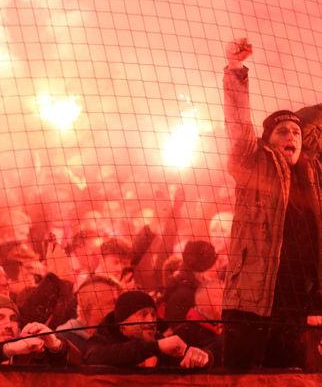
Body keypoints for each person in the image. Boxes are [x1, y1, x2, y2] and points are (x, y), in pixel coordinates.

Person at [221, 38, 322, 368]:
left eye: (295, 132)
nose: (291, 137)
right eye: (281, 132)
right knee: (244, 376)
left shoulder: (312, 177)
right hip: (252, 300)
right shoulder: (253, 163)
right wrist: (236, 70)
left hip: (297, 304)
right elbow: (238, 125)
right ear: (266, 140)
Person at [83, 290, 210, 368]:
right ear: (123, 324)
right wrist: (155, 347)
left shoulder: (160, 342)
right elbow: (95, 357)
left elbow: (184, 360)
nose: (151, 321)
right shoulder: (101, 340)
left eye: (153, 315)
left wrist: (200, 357)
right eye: (143, 314)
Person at [0, 294, 76, 366]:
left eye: (13, 319)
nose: (8, 324)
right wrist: (7, 349)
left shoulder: (32, 354)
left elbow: (78, 372)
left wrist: (57, 347)